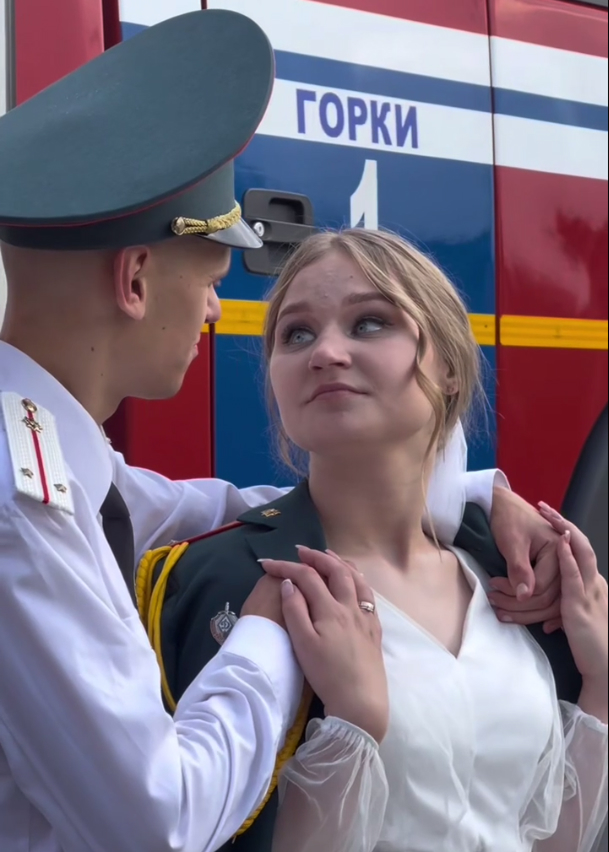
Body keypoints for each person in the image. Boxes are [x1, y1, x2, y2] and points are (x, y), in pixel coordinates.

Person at [0, 8, 569, 852]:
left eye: (368, 324)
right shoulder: (28, 507)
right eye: (212, 278)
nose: (211, 310)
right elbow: (154, 823)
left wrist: (471, 492)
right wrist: (268, 638)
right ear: (135, 279)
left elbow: (204, 503)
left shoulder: (50, 463)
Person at [148, 229, 608, 852]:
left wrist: (602, 682)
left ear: (449, 367)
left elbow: (549, 834)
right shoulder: (227, 582)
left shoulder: (516, 576)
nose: (325, 352)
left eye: (369, 323)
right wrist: (351, 726)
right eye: (296, 334)